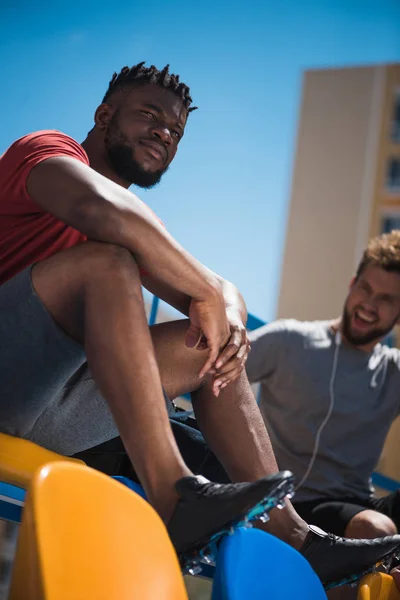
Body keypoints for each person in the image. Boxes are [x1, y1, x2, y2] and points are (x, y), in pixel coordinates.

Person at [0, 62, 399, 588]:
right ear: (103, 115)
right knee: (109, 263)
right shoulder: (46, 153)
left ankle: (294, 533)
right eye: (149, 115)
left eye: (176, 131)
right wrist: (209, 292)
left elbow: (219, 292)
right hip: (9, 377)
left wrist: (222, 304)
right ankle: (174, 493)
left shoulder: (139, 226)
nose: (164, 133)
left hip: (59, 412)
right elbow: (98, 209)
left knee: (210, 340)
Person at [246, 230, 400, 544]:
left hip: (355, 503)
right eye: (365, 289)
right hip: (286, 505)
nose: (369, 305)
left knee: (374, 526)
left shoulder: (393, 370)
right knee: (375, 531)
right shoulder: (289, 340)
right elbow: (213, 370)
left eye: (386, 300)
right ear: (351, 285)